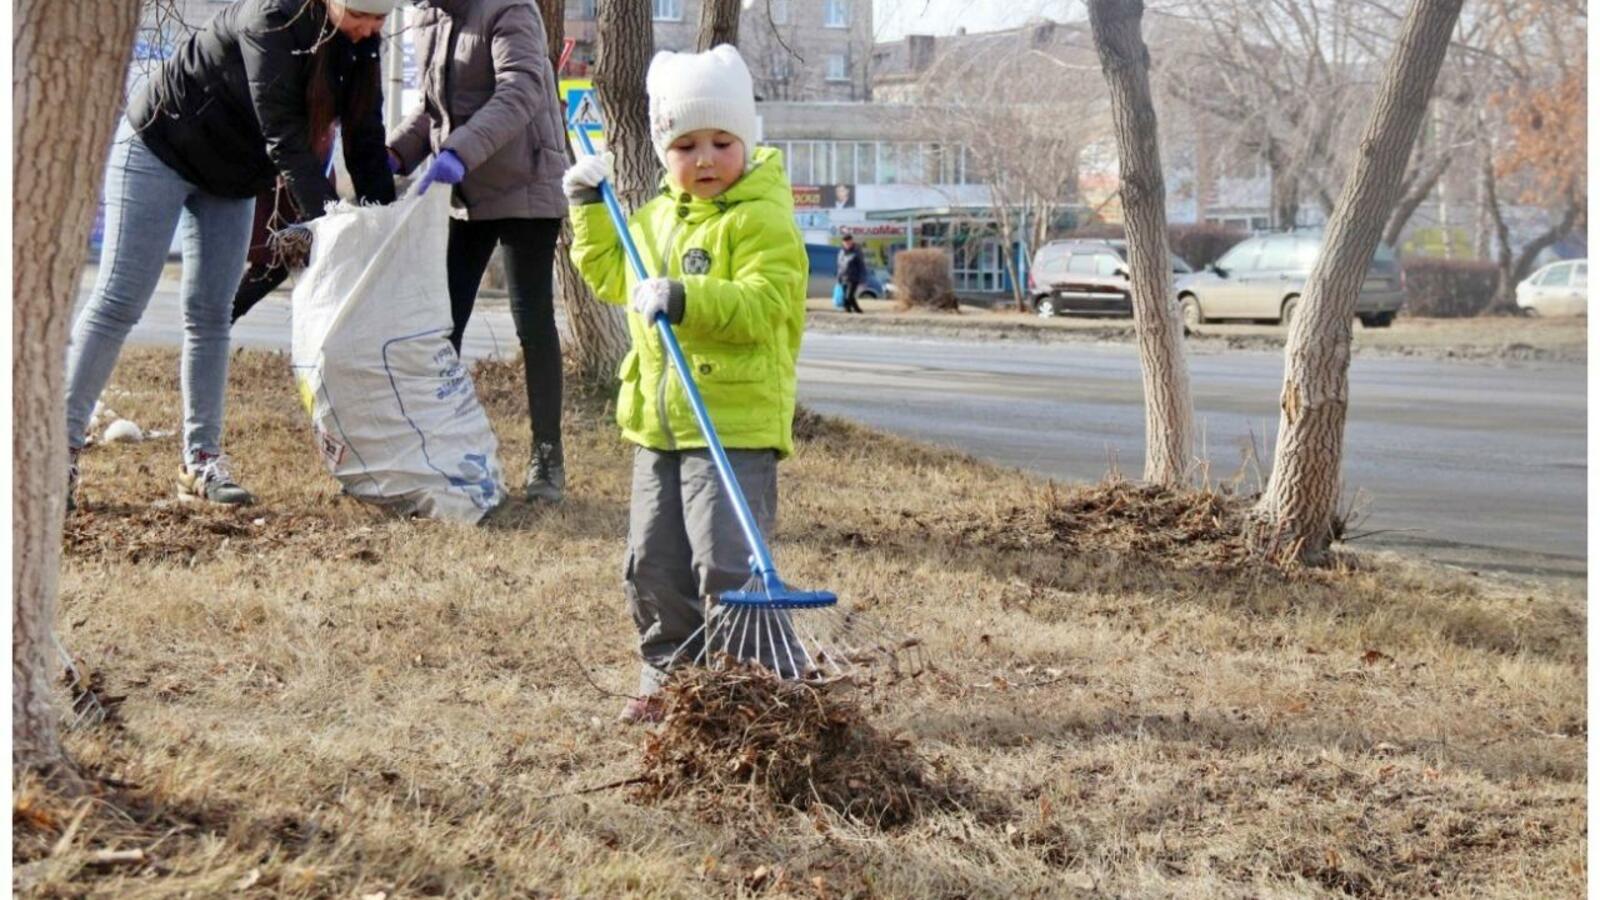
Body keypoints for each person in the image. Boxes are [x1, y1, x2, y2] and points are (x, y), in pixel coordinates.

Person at [66, 0, 397, 510]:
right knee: (119, 301)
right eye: (361, 15)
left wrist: (382, 228)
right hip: (161, 145)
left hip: (232, 176)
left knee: (211, 315)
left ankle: (202, 460)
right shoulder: (272, 20)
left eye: (379, 21)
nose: (369, 30)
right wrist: (331, 221)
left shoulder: (359, 43)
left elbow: (366, 139)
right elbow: (283, 134)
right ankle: (56, 450)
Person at [562, 45, 807, 723]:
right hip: (659, 425)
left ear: (747, 141)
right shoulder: (657, 218)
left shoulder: (761, 219)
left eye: (721, 142)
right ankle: (670, 678)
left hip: (732, 426)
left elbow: (764, 307)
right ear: (665, 150)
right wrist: (586, 204)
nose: (703, 159)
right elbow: (613, 275)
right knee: (653, 563)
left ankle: (763, 683)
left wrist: (686, 297)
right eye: (685, 145)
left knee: (725, 563)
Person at [387, 0, 571, 504]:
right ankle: (439, 445)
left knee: (531, 322)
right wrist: (396, 153)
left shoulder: (509, 8)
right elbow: (431, 109)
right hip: (467, 186)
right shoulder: (427, 16)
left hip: (526, 181)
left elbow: (522, 91)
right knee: (443, 324)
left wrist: (457, 153)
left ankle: (547, 457)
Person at [836, 233, 867, 313]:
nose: (847, 244)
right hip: (843, 277)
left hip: (854, 278)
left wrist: (862, 279)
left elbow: (862, 266)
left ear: (852, 241)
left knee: (849, 296)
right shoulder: (841, 252)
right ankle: (855, 310)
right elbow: (840, 266)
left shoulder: (857, 252)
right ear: (843, 243)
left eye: (849, 242)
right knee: (846, 296)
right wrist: (838, 277)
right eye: (845, 243)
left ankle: (848, 310)